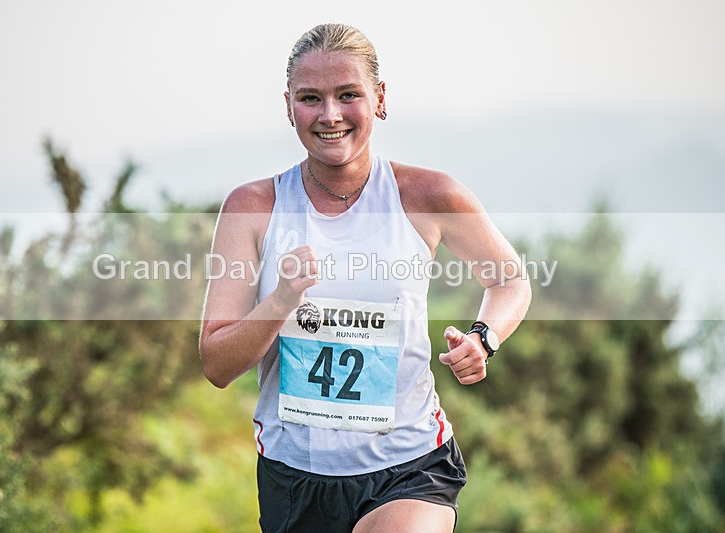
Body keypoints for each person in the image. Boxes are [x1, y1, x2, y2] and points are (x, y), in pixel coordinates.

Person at [199, 23, 531, 532]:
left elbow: (510, 280)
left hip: (410, 464)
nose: (330, 114)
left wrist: (484, 338)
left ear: (380, 98)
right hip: (295, 478)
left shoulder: (428, 195)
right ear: (289, 107)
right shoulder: (253, 207)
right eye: (310, 98)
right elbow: (217, 364)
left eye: (348, 95)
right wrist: (279, 302)